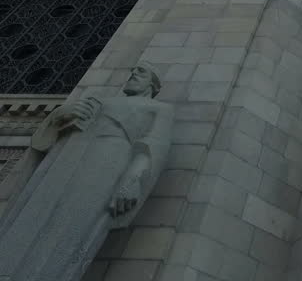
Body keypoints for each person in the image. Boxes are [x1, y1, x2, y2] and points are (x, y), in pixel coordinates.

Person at [0, 62, 174, 281]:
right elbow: (49, 135)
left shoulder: (159, 109)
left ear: (153, 83)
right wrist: (59, 116)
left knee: (73, 224)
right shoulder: (99, 100)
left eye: (140, 72)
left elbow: (153, 145)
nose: (132, 75)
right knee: (34, 210)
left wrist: (133, 180)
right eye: (131, 72)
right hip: (65, 156)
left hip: (106, 163)